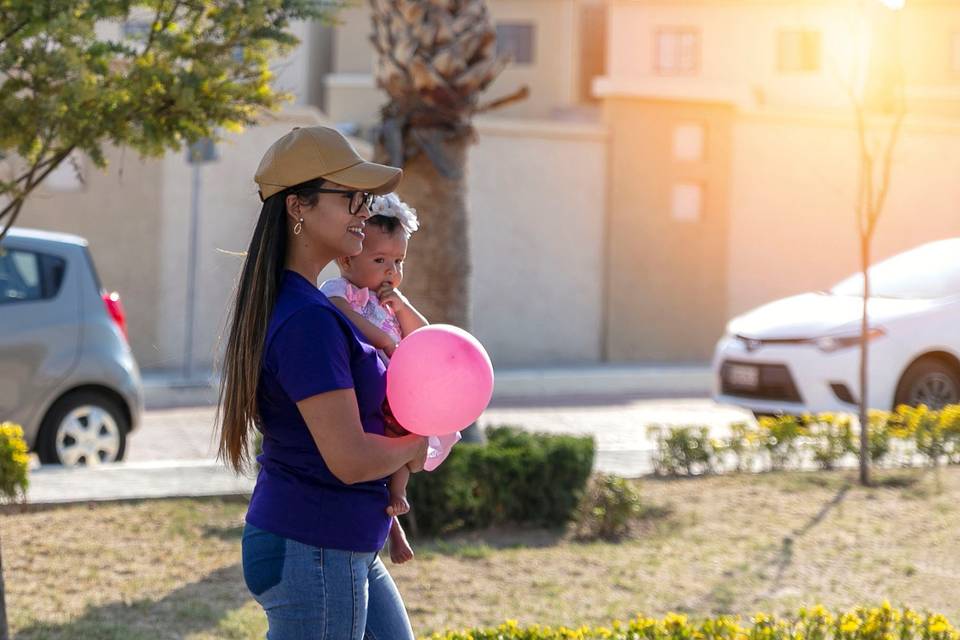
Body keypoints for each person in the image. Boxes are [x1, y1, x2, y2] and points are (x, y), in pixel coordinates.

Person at [217, 125, 427, 640]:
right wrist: (416, 441)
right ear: (298, 207)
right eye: (351, 196)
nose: (365, 210)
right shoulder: (309, 319)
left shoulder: (310, 306)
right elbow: (350, 458)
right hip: (314, 550)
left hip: (339, 546)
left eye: (367, 197)